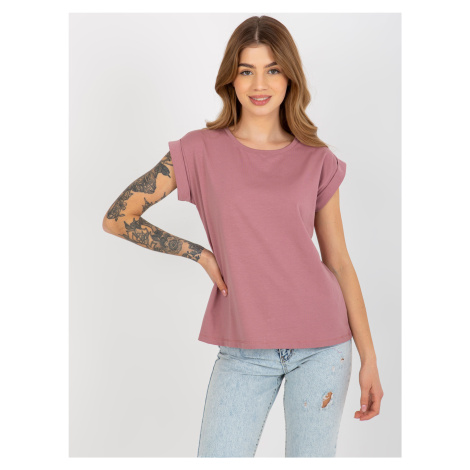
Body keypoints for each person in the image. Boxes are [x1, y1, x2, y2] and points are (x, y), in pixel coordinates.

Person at [102, 15, 384, 458]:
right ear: (230, 79)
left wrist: (370, 359)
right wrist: (199, 254)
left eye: (273, 69)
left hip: (324, 346)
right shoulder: (199, 149)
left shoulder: (317, 159)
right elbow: (119, 217)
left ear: (290, 77)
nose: (260, 83)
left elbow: (339, 263)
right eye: (246, 70)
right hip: (243, 350)